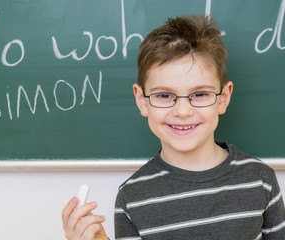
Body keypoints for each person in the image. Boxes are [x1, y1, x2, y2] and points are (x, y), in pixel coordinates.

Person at [62, 15, 285, 239]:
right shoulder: (132, 197)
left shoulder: (260, 180)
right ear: (142, 100)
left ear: (223, 97)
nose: (182, 111)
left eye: (199, 94)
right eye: (164, 95)